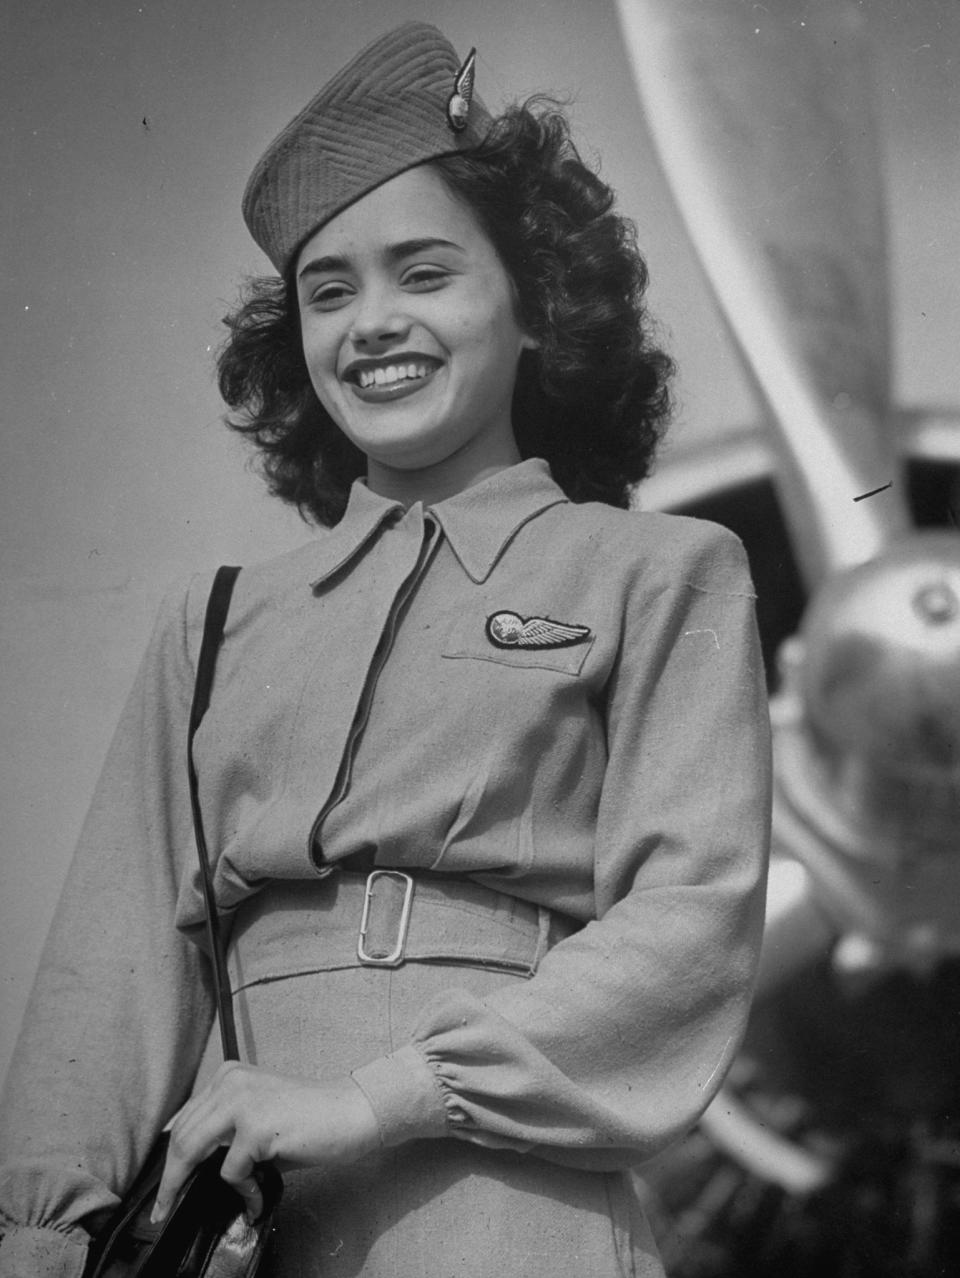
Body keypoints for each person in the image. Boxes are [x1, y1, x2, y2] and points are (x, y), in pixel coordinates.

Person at [0, 22, 771, 1278]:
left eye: (425, 273)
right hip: (243, 1234)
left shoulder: (664, 573)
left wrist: (375, 1098)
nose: (372, 324)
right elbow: (109, 974)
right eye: (329, 290)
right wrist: (36, 1244)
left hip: (518, 1219)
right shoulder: (214, 620)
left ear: (535, 305)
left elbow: (689, 924)